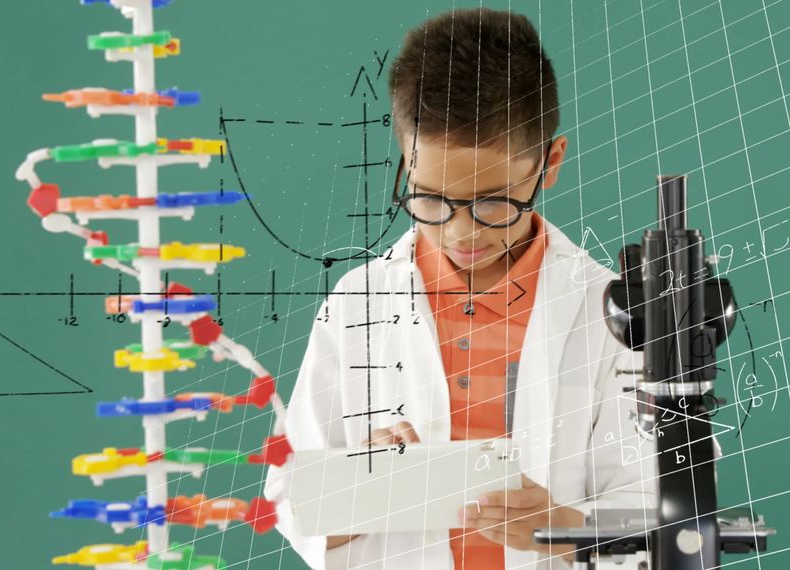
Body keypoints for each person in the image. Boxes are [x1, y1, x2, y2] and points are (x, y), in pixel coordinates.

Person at [265, 7, 654, 569]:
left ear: (550, 163)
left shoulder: (615, 314)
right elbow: (292, 499)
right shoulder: (358, 304)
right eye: (428, 199)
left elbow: (674, 512)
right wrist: (363, 490)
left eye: (493, 202)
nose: (459, 232)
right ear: (405, 160)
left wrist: (569, 530)